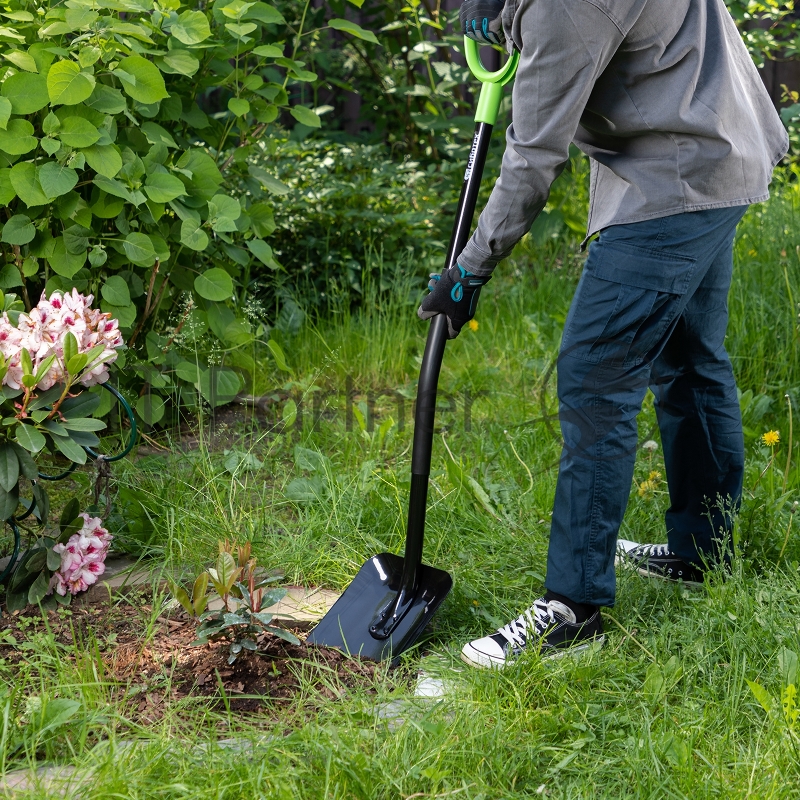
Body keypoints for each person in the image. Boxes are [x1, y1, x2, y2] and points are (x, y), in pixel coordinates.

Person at [418, 0, 789, 669]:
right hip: (723, 149)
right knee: (689, 360)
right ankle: (702, 551)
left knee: (596, 380)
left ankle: (573, 609)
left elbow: (535, 152)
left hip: (672, 181)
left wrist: (470, 270)